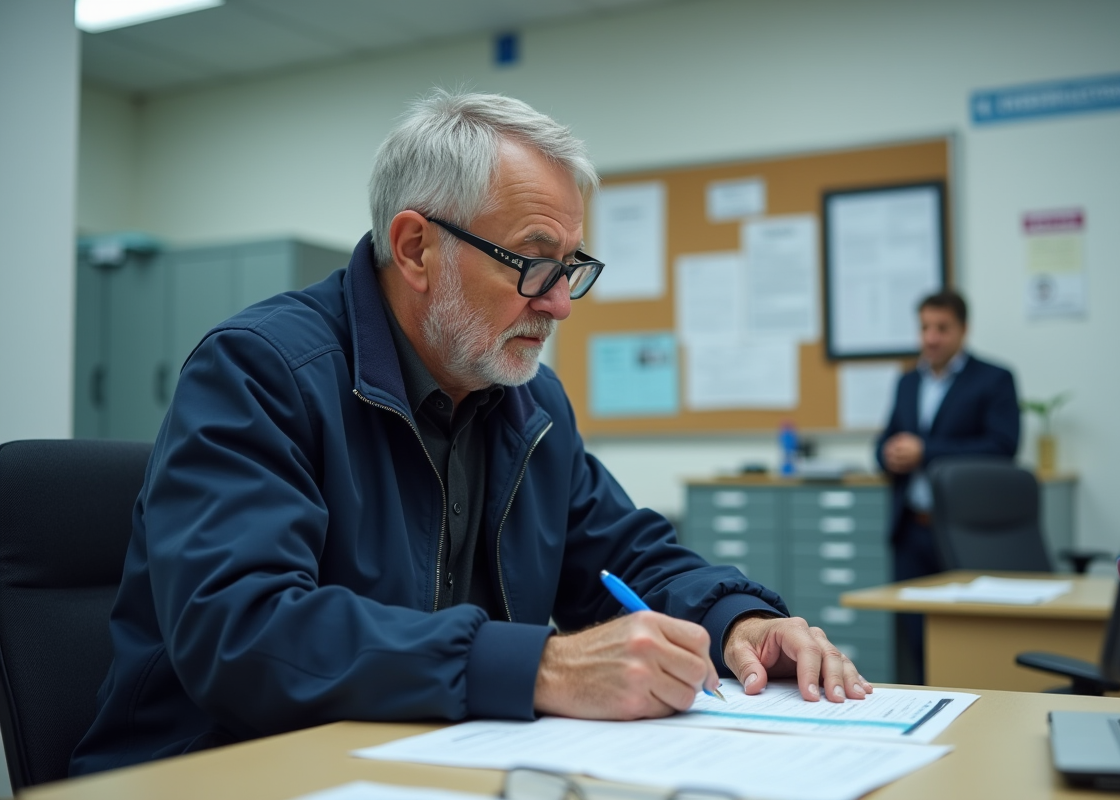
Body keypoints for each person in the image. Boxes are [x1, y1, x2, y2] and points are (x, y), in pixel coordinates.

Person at [70, 90, 870, 776]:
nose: (559, 303)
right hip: (224, 770)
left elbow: (622, 555)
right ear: (417, 248)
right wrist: (540, 667)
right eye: (533, 262)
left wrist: (738, 618)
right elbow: (242, 630)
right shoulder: (260, 373)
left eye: (571, 267)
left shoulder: (527, 402)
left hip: (417, 765)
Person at [875, 289, 1020, 683]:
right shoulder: (907, 382)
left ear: (963, 330)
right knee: (917, 638)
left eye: (942, 328)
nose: (931, 337)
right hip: (911, 529)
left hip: (963, 532)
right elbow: (886, 439)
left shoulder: (994, 379)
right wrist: (887, 453)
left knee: (969, 638)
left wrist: (927, 451)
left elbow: (1002, 447)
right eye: (925, 327)